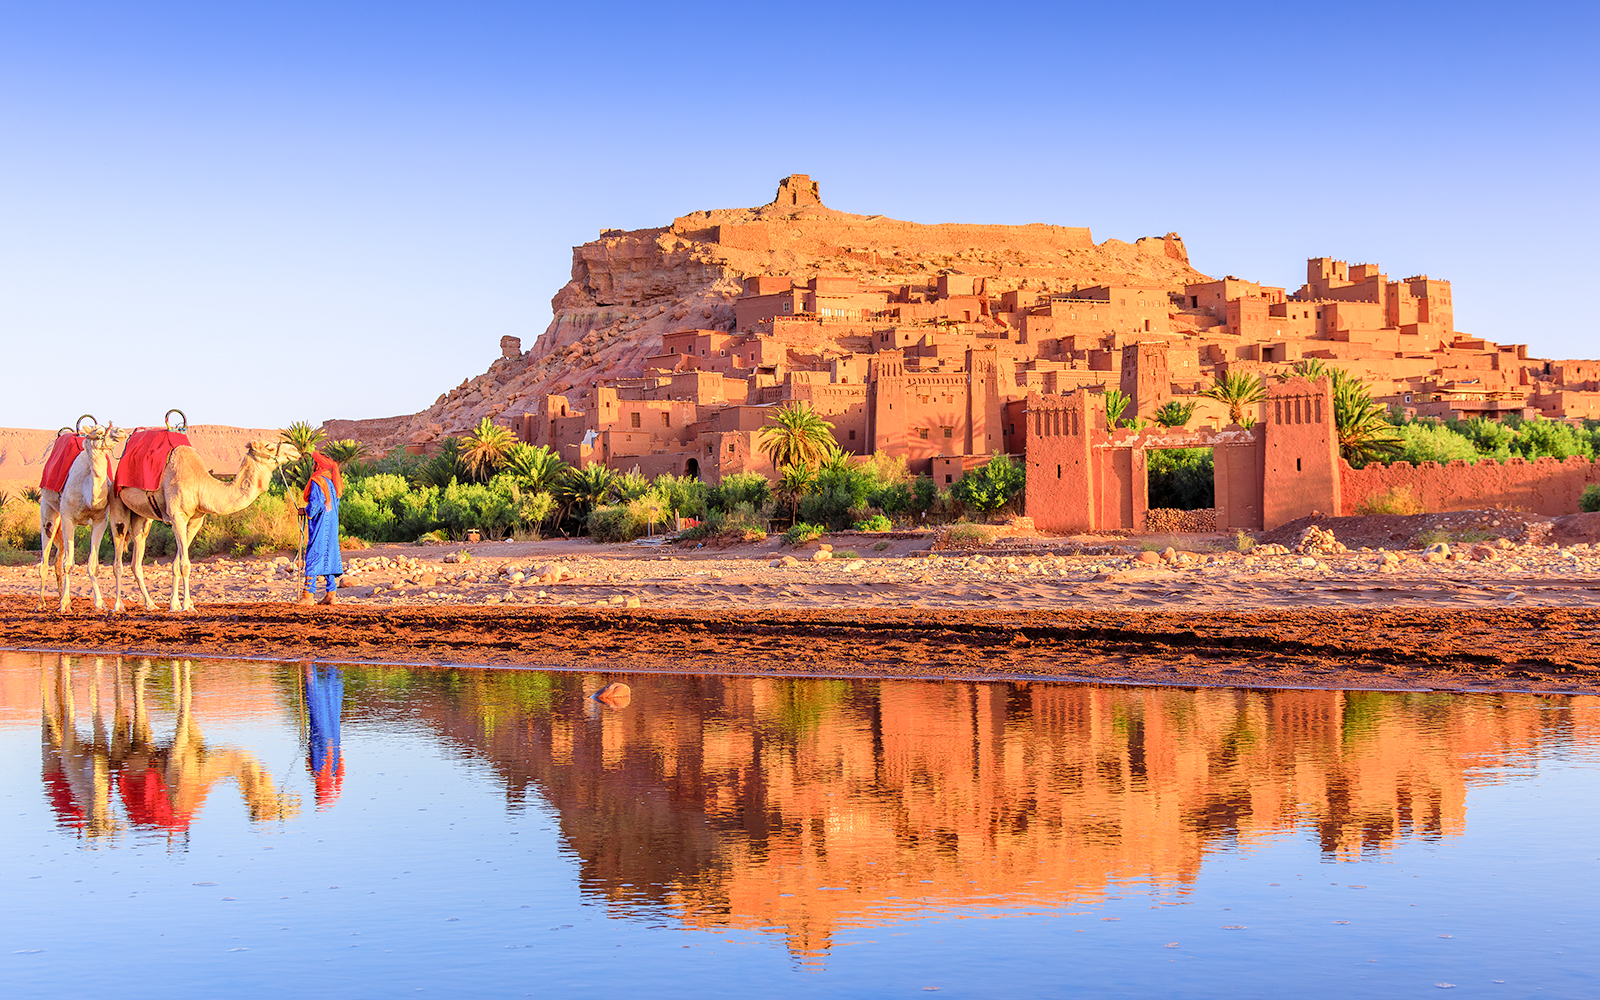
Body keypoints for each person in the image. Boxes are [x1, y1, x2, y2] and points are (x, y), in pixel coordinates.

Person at [297, 451, 344, 606]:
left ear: (317, 465)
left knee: (313, 556)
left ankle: (308, 595)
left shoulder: (317, 481)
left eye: (313, 462)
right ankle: (331, 594)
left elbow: (316, 504)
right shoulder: (331, 483)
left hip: (320, 526)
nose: (312, 465)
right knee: (328, 556)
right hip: (332, 526)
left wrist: (305, 511)